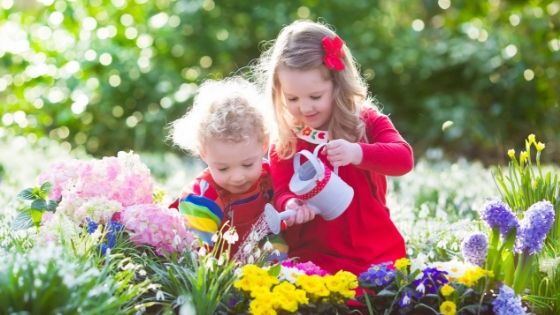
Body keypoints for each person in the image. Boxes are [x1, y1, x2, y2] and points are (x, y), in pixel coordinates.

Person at [256, 20, 414, 275]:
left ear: (338, 85)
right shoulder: (287, 138)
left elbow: (403, 159)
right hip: (314, 253)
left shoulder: (365, 122)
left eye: (315, 96)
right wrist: (292, 204)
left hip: (372, 249)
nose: (305, 108)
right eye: (292, 98)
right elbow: (283, 189)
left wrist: (357, 152)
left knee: (374, 298)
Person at [169, 77, 283, 256]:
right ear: (203, 153)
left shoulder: (271, 179)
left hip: (259, 270)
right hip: (216, 274)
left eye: (247, 164)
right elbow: (196, 252)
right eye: (223, 168)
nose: (237, 176)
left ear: (265, 144)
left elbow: (277, 231)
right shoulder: (201, 196)